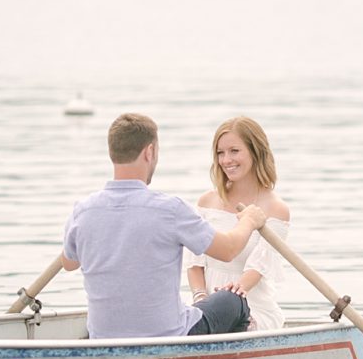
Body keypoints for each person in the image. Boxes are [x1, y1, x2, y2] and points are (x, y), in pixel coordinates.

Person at [62, 112, 267, 338]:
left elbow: (69, 263)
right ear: (149, 152)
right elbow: (228, 249)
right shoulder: (170, 210)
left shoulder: (82, 211)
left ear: (112, 153)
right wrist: (249, 220)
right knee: (234, 300)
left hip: (103, 336)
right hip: (169, 335)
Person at [183, 116, 293, 331]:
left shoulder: (276, 209)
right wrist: (200, 296)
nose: (226, 160)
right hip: (204, 306)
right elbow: (194, 262)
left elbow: (259, 266)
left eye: (234, 151)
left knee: (229, 306)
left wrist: (232, 293)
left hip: (249, 307)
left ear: (255, 151)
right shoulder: (207, 202)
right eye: (220, 153)